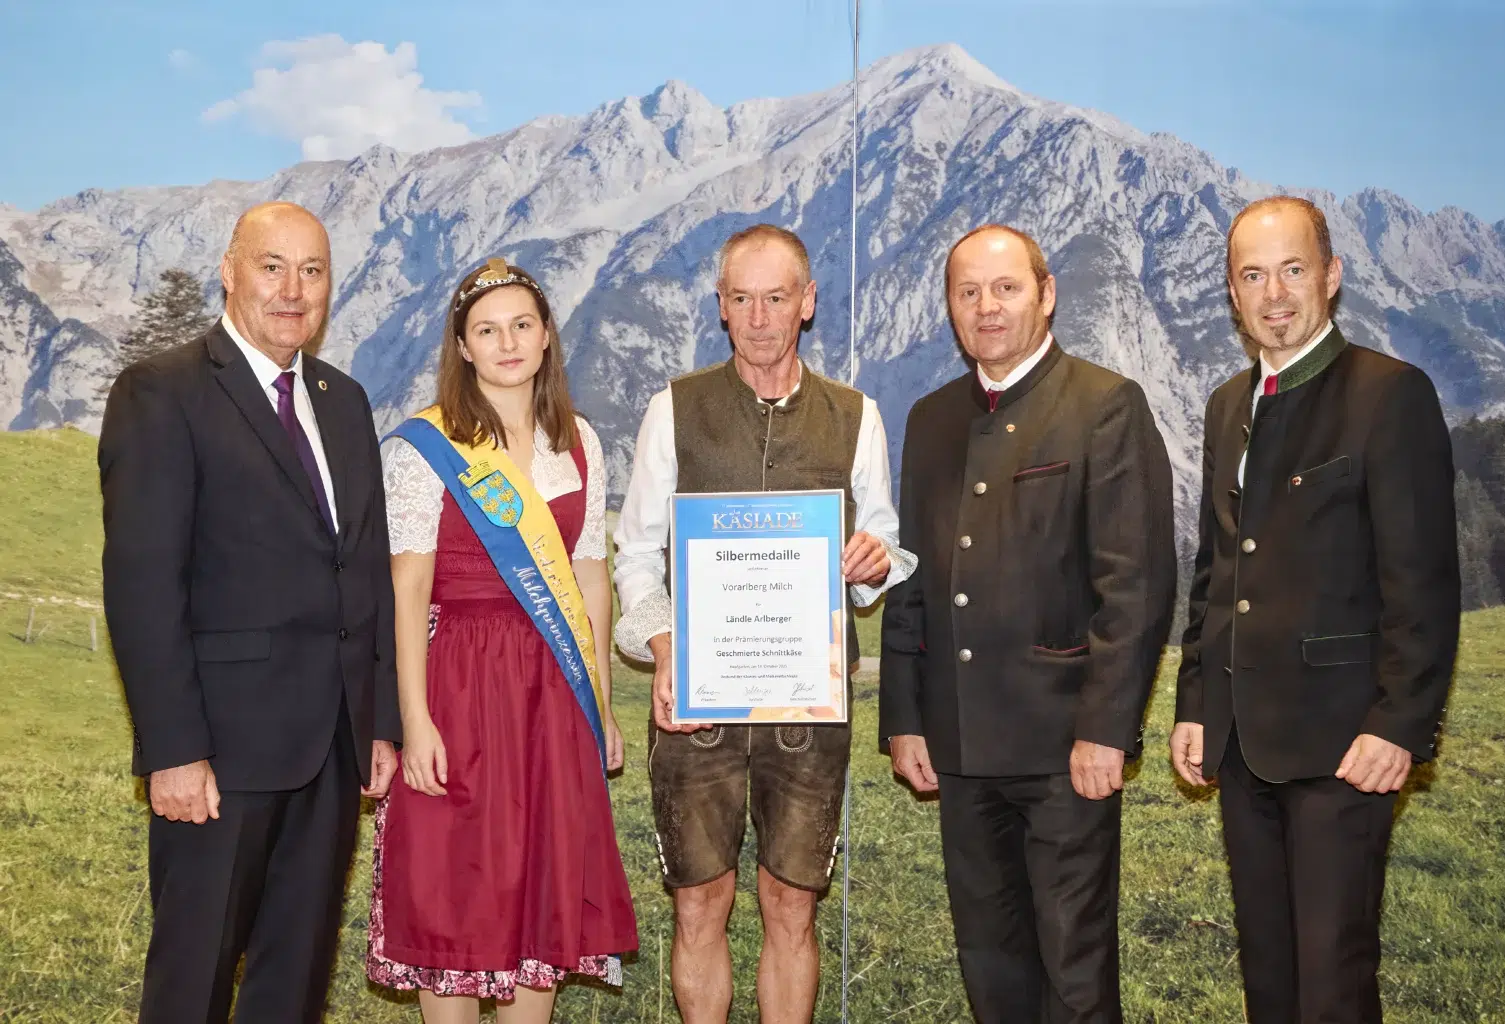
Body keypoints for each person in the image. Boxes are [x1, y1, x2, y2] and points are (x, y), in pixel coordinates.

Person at [98, 201, 401, 1023]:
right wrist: (173, 749)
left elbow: (363, 568)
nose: (293, 290)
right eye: (273, 266)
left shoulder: (346, 402)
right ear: (230, 271)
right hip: (219, 758)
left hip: (331, 752)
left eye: (313, 271)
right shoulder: (163, 391)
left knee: (293, 984)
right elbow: (142, 583)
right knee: (194, 983)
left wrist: (378, 722)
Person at [611, 224, 913, 1023]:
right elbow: (635, 555)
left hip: (806, 707)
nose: (759, 316)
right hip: (698, 703)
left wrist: (872, 561)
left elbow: (884, 542)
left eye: (776, 297)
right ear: (720, 306)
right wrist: (666, 647)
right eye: (740, 298)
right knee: (700, 904)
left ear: (806, 303)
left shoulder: (857, 415)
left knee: (790, 905)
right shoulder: (673, 408)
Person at [1171, 196, 1460, 1023]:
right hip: (1239, 745)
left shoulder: (1389, 395)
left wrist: (1400, 726)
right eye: (1253, 276)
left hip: (1345, 745)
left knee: (1331, 984)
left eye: (1293, 270)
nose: (1274, 294)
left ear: (1331, 276)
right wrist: (1197, 702)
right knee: (1269, 978)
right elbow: (1217, 568)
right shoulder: (1228, 405)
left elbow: (1425, 583)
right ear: (1232, 293)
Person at [880, 224, 1176, 1024]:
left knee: (1074, 971)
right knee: (990, 964)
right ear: (949, 308)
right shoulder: (933, 417)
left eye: (1005, 288)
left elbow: (1136, 585)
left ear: (1046, 294)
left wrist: (1108, 730)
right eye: (967, 292)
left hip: (1064, 748)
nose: (987, 307)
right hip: (960, 744)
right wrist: (906, 719)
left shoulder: (1106, 404)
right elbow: (910, 581)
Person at [365, 258, 638, 1024]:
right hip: (459, 682)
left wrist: (603, 710)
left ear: (547, 337)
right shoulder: (424, 446)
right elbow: (408, 588)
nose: (507, 342)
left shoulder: (578, 441)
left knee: (543, 883)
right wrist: (412, 721)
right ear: (463, 346)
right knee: (455, 888)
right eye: (487, 330)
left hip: (554, 689)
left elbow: (589, 581)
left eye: (522, 325)